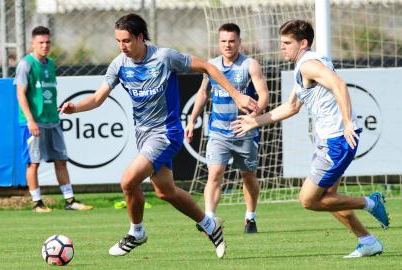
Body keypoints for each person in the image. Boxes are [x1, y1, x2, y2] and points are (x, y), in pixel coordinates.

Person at [60, 13, 258, 258]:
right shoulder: (120, 64)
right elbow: (98, 98)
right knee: (166, 191)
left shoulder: (164, 57)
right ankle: (210, 224)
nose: (122, 46)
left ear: (140, 37)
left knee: (128, 181)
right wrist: (75, 108)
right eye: (118, 41)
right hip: (143, 135)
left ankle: (137, 232)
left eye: (126, 41)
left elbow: (208, 67)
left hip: (166, 132)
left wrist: (237, 95)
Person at [231, 20, 389, 258]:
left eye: (287, 43)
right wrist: (255, 121)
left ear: (302, 43)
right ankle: (368, 241)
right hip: (328, 140)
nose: (282, 48)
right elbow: (292, 107)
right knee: (329, 199)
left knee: (308, 200)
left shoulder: (308, 65)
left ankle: (370, 203)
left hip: (337, 141)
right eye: (281, 43)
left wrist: (347, 121)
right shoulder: (303, 66)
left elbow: (339, 84)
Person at [185, 23, 269, 233]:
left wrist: (253, 117)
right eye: (224, 41)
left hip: (245, 131)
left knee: (248, 175)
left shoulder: (250, 65)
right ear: (219, 43)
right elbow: (203, 94)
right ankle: (210, 220)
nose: (228, 45)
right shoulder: (211, 66)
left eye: (232, 41)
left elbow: (264, 94)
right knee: (214, 173)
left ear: (239, 42)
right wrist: (191, 120)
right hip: (218, 131)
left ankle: (250, 217)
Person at [15, 26, 93, 212]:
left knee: (61, 160)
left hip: (53, 120)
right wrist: (30, 120)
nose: (44, 46)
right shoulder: (26, 64)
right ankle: (37, 203)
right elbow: (20, 94)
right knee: (33, 162)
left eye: (47, 42)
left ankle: (70, 200)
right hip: (33, 123)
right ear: (32, 43)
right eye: (40, 42)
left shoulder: (50, 63)